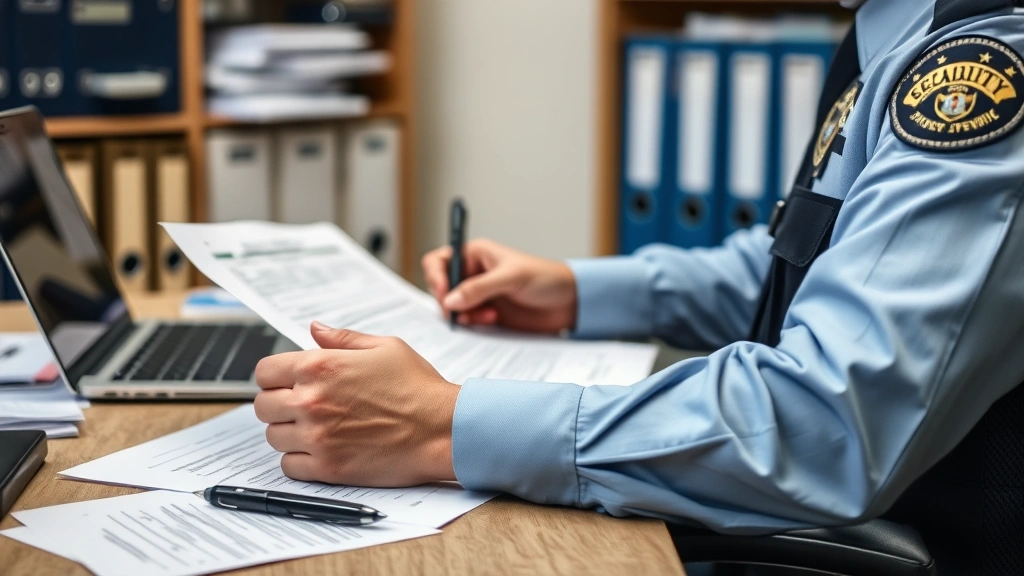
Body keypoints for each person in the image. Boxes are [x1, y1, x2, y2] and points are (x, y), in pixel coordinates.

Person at [252, 0, 1024, 572]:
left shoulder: (985, 64)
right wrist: (573, 290)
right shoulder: (899, 24)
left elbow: (824, 421)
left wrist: (440, 425)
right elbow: (808, 273)